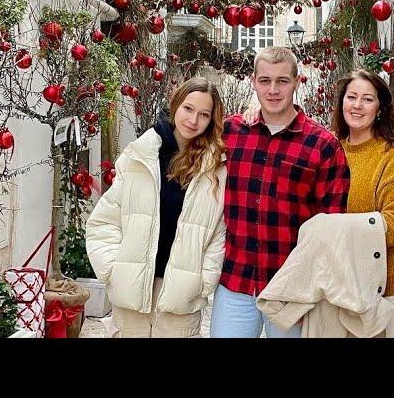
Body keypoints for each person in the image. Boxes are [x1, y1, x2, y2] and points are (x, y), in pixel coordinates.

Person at [210, 46, 350, 338]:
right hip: (236, 279)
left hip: (293, 288)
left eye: (282, 81)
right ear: (253, 82)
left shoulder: (323, 145)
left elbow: (332, 226)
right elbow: (185, 144)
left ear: (296, 82)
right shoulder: (230, 133)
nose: (273, 90)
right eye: (265, 80)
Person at [86, 78, 227, 338]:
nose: (193, 120)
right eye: (188, 108)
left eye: (204, 114)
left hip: (181, 296)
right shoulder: (139, 155)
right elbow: (104, 221)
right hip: (131, 288)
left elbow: (218, 233)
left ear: (211, 120)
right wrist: (112, 271)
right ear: (175, 105)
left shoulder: (215, 168)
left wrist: (202, 282)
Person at [331, 68, 394, 338]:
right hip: (339, 278)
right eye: (351, 97)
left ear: (380, 108)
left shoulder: (393, 154)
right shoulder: (330, 148)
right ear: (342, 102)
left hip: (384, 282)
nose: (357, 105)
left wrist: (339, 233)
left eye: (367, 99)